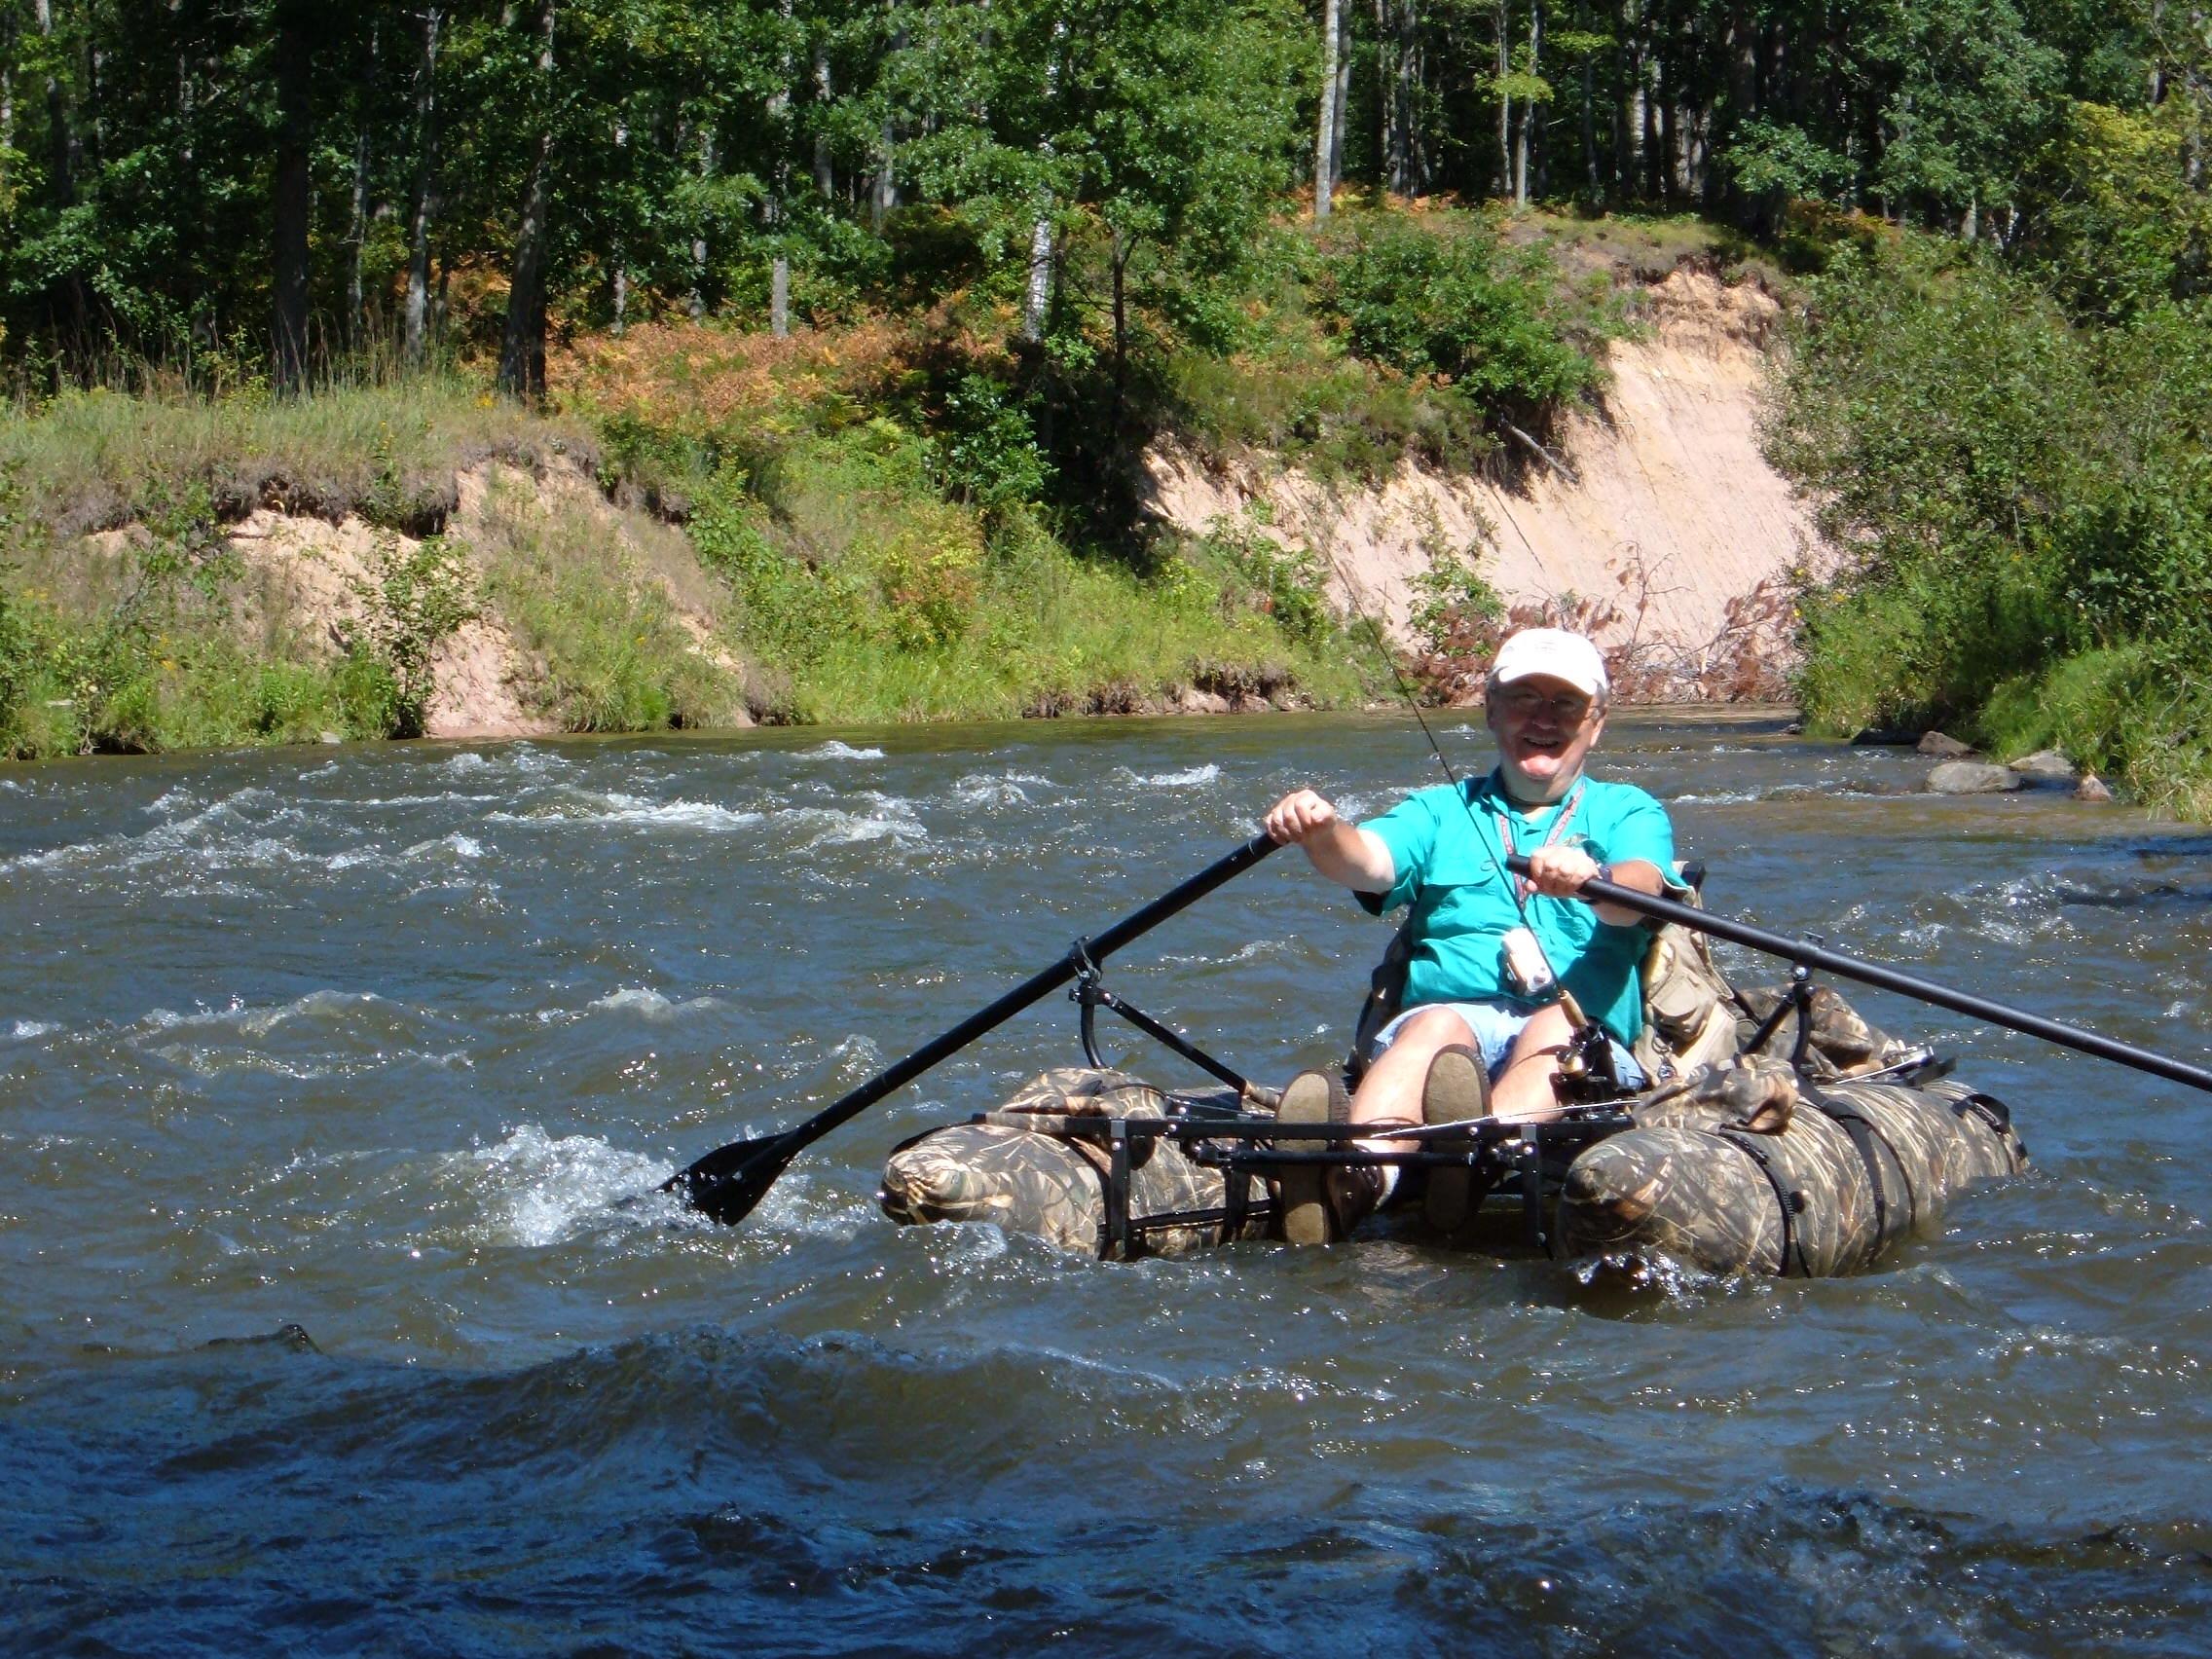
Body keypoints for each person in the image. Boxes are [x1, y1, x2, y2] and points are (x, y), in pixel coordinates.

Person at [1260, 626, 1676, 1242]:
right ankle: (1354, 1182)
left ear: (1597, 722)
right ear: (1490, 710)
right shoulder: (1438, 809)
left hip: (1580, 1028)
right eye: (1523, 698)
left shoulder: (1628, 810)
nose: (1542, 718)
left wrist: (1596, 879)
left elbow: (1640, 891)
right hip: (1452, 1015)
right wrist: (1322, 829)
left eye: (1564, 703)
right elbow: (1368, 861)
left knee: (1553, 1029)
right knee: (1434, 1026)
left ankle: (1476, 1161)